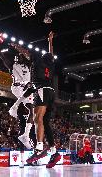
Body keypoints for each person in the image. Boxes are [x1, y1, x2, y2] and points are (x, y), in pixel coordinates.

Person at [0, 33, 35, 166]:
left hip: (25, 90)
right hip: (17, 88)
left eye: (21, 55)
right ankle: (15, 106)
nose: (20, 56)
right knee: (31, 91)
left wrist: (18, 46)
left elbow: (29, 54)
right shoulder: (12, 65)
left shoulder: (29, 65)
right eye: (18, 56)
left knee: (33, 111)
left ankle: (25, 135)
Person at [26, 31, 61, 168]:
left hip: (42, 90)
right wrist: (50, 41)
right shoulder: (50, 64)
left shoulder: (38, 61)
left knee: (37, 118)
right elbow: (51, 54)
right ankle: (54, 151)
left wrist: (16, 47)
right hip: (52, 93)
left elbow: (28, 53)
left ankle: (39, 148)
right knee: (46, 122)